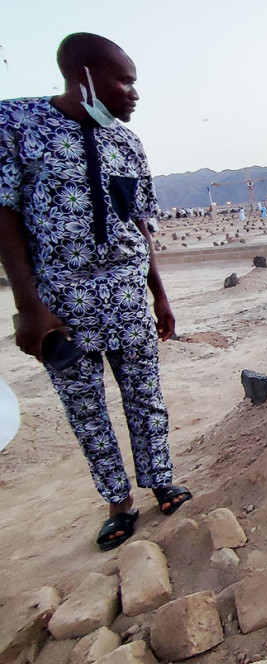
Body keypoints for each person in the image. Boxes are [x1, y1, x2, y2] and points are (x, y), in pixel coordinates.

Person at [0, 33, 192, 551]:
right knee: (86, 408)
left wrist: (160, 294)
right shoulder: (17, 125)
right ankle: (118, 504)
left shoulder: (126, 142)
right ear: (83, 75)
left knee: (146, 398)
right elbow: (5, 216)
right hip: (61, 302)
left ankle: (160, 482)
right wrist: (28, 308)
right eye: (125, 80)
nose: (134, 93)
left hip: (127, 293)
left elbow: (138, 224)